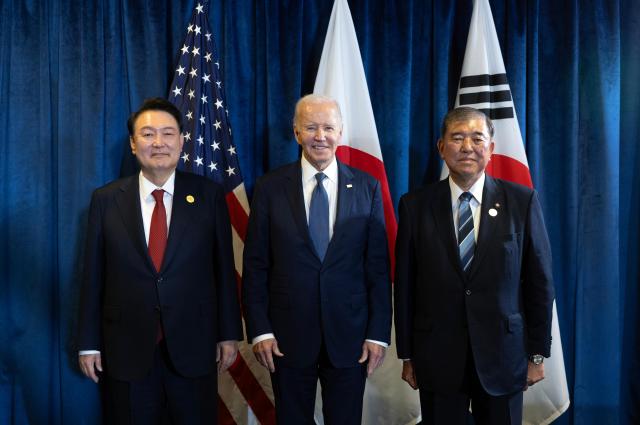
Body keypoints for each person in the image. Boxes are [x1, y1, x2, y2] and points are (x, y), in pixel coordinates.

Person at [77, 98, 242, 424]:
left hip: (194, 345)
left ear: (182, 141)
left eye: (167, 134)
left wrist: (228, 333)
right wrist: (87, 344)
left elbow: (223, 270)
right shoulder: (106, 200)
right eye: (148, 134)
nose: (158, 143)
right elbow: (93, 275)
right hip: (126, 348)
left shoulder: (208, 195)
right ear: (133, 143)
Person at [394, 107, 555, 425]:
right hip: (437, 357)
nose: (467, 146)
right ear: (441, 148)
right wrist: (407, 355)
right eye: (457, 137)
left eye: (477, 138)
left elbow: (540, 283)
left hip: (503, 355)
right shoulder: (415, 206)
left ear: (491, 148)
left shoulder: (521, 201)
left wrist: (537, 354)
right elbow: (406, 285)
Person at [242, 94, 392, 424]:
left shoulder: (367, 187)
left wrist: (377, 333)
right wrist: (260, 331)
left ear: (340, 132)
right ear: (296, 133)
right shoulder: (269, 188)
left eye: (328, 127)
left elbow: (377, 269)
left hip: (351, 337)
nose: (320, 136)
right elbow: (255, 266)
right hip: (286, 337)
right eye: (311, 127)